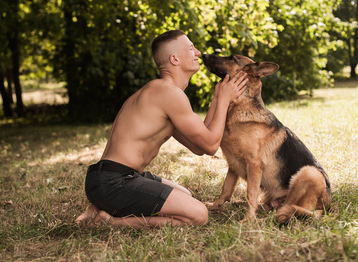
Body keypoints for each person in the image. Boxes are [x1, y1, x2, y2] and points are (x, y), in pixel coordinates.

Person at [75, 30, 248, 228]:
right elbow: (210, 145)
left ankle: (99, 206)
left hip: (113, 178)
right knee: (198, 214)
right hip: (114, 182)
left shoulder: (162, 92)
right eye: (191, 49)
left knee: (185, 195)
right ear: (174, 59)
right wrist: (225, 101)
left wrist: (218, 98)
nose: (198, 53)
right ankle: (112, 221)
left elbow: (200, 147)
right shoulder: (167, 92)